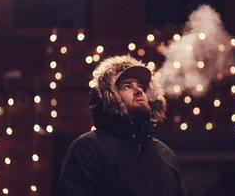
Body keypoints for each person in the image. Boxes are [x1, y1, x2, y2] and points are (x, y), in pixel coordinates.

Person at [58, 55, 184, 196]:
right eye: (127, 86)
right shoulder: (88, 149)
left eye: (141, 86)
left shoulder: (166, 155)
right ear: (111, 96)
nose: (138, 91)